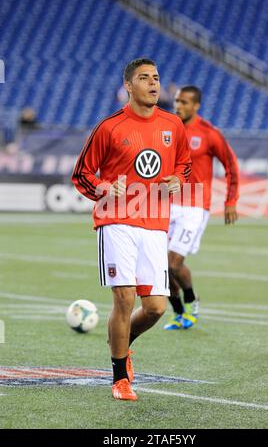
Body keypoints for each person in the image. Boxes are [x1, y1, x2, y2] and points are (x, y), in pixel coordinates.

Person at [72, 58, 191, 400]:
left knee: (155, 308)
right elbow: (82, 174)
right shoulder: (109, 127)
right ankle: (120, 377)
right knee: (124, 299)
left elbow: (184, 166)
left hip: (155, 223)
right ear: (128, 85)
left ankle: (124, 343)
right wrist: (104, 188)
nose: (153, 83)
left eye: (156, 77)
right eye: (144, 78)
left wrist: (177, 180)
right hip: (116, 221)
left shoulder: (173, 124)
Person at [164, 85, 239, 330]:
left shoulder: (209, 133)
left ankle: (192, 301)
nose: (179, 106)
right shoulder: (167, 128)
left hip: (195, 206)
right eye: (176, 101)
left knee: (174, 262)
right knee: (160, 266)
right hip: (168, 203)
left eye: (184, 102)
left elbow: (231, 165)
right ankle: (178, 313)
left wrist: (230, 201)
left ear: (196, 106)